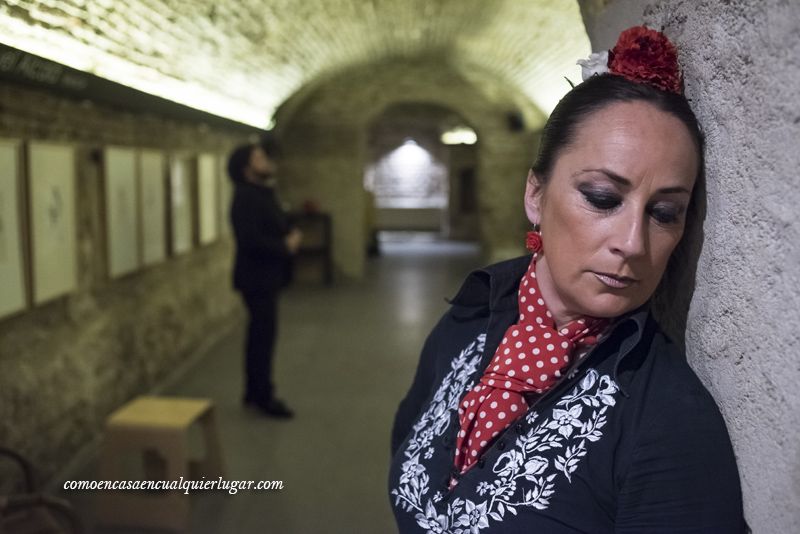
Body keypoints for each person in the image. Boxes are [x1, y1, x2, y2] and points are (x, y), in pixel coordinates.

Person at [388, 26, 746, 532]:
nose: (632, 243)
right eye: (602, 198)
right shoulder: (468, 318)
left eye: (664, 212)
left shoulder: (668, 422)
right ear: (536, 195)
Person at [228, 140, 302, 419]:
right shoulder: (246, 197)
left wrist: (290, 232)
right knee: (262, 338)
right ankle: (263, 396)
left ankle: (253, 391)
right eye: (259, 158)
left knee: (260, 336)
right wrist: (285, 246)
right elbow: (250, 239)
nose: (265, 161)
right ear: (246, 167)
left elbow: (278, 221)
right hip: (256, 278)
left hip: (267, 278)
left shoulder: (262, 193)